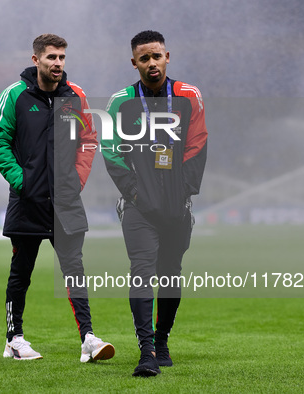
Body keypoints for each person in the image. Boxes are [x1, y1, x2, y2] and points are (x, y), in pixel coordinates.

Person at [0, 33, 114, 362]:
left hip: (66, 201)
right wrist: (21, 181)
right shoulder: (14, 96)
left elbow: (89, 137)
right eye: (51, 58)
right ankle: (14, 339)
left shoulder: (76, 96)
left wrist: (78, 178)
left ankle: (88, 337)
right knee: (21, 271)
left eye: (61, 58)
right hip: (27, 201)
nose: (58, 63)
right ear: (36, 60)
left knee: (74, 269)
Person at [102, 30, 207, 377]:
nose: (151, 63)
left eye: (156, 56)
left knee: (171, 275)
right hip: (138, 208)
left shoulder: (189, 96)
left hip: (177, 205)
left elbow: (197, 144)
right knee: (142, 272)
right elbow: (111, 151)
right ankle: (146, 351)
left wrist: (185, 190)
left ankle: (162, 340)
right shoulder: (121, 102)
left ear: (167, 57)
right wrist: (133, 193)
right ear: (134, 63)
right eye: (144, 58)